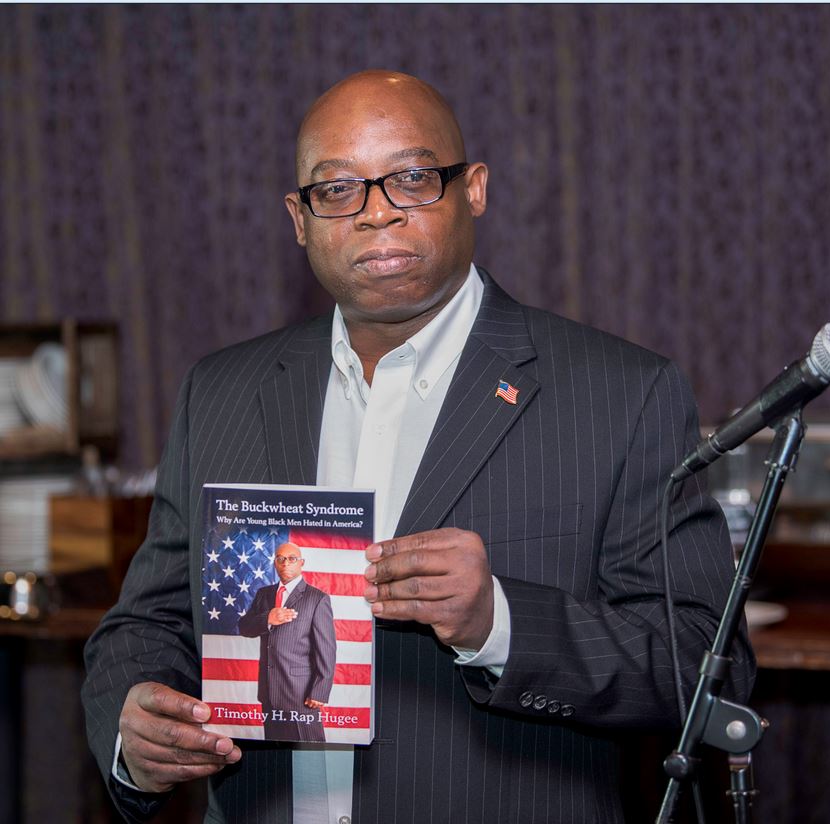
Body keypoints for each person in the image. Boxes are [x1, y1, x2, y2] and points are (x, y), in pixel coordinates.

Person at [82, 69, 755, 823]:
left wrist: (497, 621)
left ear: (474, 189)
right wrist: (133, 727)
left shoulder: (620, 395)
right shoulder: (223, 391)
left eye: (409, 178)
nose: (375, 214)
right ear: (299, 219)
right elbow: (147, 624)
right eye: (337, 189)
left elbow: (705, 667)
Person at [237, 543, 336, 742]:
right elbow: (244, 627)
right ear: (275, 563)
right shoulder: (264, 594)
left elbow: (326, 648)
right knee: (276, 752)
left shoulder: (317, 598)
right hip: (269, 691)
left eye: (292, 559)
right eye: (280, 559)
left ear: (301, 563)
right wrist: (267, 619)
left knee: (311, 751)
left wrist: (320, 690)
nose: (285, 563)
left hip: (301, 693)